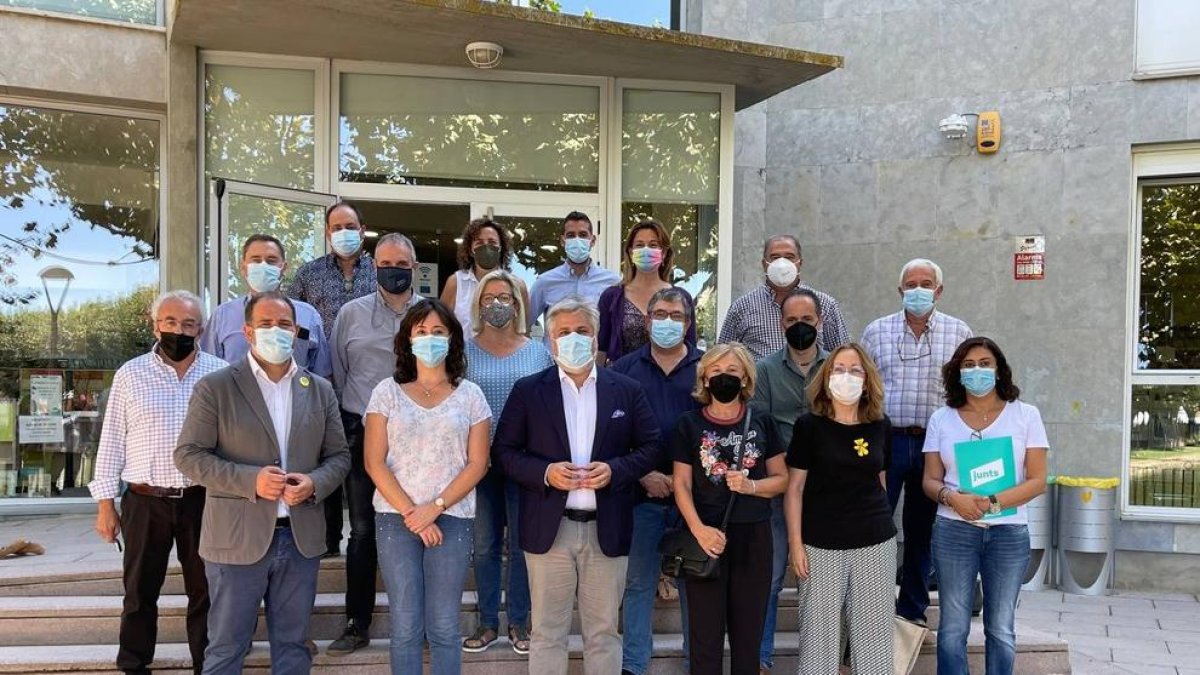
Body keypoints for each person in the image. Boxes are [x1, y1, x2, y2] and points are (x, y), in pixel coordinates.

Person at [174, 291, 350, 675]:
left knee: (293, 648)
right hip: (236, 540)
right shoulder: (216, 386)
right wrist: (249, 480)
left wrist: (314, 482)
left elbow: (339, 457)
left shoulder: (318, 389)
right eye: (266, 324)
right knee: (225, 648)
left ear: (296, 331)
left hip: (299, 538)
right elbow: (188, 455)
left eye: (284, 324)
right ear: (248, 332)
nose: (276, 331)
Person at [493, 297, 660, 675]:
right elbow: (503, 452)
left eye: (582, 331)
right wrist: (545, 472)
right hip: (549, 531)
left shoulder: (626, 389)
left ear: (596, 335)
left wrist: (617, 470)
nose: (573, 339)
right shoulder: (528, 390)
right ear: (550, 342)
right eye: (563, 332)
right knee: (547, 633)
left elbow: (652, 448)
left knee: (603, 634)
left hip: (608, 527)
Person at [89, 290, 227, 675]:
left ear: (200, 328)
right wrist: (105, 504)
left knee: (205, 590)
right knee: (139, 590)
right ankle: (133, 663)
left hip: (203, 500)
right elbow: (113, 438)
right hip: (145, 500)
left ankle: (208, 664)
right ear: (155, 325)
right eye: (170, 322)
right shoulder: (131, 374)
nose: (178, 330)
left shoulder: (220, 371)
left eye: (187, 324)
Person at [364, 298, 491, 675]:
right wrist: (412, 513)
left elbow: (478, 463)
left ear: (452, 339)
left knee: (443, 624)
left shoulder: (471, 395)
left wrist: (433, 508)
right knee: (404, 625)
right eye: (421, 331)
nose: (430, 338)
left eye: (438, 332)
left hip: (452, 518)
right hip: (395, 517)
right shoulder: (385, 392)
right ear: (408, 339)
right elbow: (374, 462)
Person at [922, 337, 1048, 675]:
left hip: (1008, 534)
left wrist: (991, 503)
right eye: (968, 365)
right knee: (952, 629)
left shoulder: (1026, 415)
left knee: (1001, 628)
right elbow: (930, 481)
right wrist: (954, 500)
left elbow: (1037, 480)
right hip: (953, 531)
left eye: (984, 363)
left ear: (999, 370)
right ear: (957, 373)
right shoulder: (941, 419)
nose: (976, 370)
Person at [860, 258, 973, 624]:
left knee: (921, 531)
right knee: (875, 526)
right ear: (900, 290)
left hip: (934, 446)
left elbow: (967, 389)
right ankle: (871, 607)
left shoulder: (959, 333)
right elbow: (863, 389)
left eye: (927, 283)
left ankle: (912, 610)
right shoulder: (876, 332)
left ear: (939, 291)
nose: (918, 290)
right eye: (911, 284)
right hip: (885, 441)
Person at [326, 232, 422, 655]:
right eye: (386, 263)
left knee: (417, 525)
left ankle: (419, 622)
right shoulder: (350, 314)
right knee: (363, 530)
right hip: (363, 432)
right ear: (373, 265)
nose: (394, 270)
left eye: (402, 264)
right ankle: (356, 621)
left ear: (415, 268)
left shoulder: (431, 315)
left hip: (420, 436)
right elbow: (339, 376)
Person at [672, 342, 787, 675]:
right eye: (717, 371)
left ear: (746, 379)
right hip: (706, 539)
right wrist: (699, 531)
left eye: (733, 371)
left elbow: (782, 479)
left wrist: (751, 485)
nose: (725, 378)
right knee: (704, 639)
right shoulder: (688, 424)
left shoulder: (762, 421)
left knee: (748, 638)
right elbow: (681, 484)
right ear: (705, 379)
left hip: (754, 536)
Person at [785, 343, 896, 675]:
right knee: (818, 641)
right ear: (826, 376)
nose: (846, 377)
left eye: (855, 370)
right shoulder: (808, 426)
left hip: (874, 542)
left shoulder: (880, 425)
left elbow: (881, 481)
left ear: (867, 379)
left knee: (874, 640)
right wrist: (795, 545)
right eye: (838, 369)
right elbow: (794, 490)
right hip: (820, 544)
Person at [610, 287, 703, 675]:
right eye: (660, 314)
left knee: (695, 587)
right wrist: (644, 473)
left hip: (696, 500)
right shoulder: (622, 370)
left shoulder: (707, 367)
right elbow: (608, 436)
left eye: (677, 316)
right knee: (638, 585)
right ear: (646, 321)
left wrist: (686, 480)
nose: (668, 322)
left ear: (689, 322)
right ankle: (634, 666)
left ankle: (696, 663)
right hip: (641, 494)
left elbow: (718, 428)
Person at [462, 270, 553, 656]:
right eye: (488, 298)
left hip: (524, 464)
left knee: (520, 545)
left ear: (518, 305)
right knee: (483, 545)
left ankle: (519, 621)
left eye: (505, 298)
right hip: (478, 466)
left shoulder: (537, 351)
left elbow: (550, 407)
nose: (496, 304)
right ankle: (486, 623)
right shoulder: (462, 350)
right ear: (478, 304)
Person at [289, 201, 377, 559]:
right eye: (336, 227)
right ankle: (327, 540)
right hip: (318, 386)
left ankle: (365, 536)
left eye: (350, 225)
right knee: (324, 460)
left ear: (362, 228)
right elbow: (292, 324)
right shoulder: (308, 275)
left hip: (364, 390)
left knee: (359, 468)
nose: (344, 233)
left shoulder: (378, 270)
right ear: (327, 233)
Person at [750, 288, 828, 672]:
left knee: (824, 583)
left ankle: (820, 660)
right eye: (792, 321)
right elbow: (759, 428)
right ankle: (761, 659)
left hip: (826, 491)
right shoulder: (763, 370)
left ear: (821, 322)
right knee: (771, 577)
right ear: (781, 325)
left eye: (807, 321)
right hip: (779, 488)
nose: (800, 327)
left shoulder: (836, 369)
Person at [201, 234, 331, 378]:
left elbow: (322, 374)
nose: (263, 265)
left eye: (271, 260)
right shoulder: (222, 316)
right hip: (236, 398)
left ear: (283, 268)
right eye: (256, 260)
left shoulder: (308, 315)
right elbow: (207, 370)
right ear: (243, 268)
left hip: (295, 398)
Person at [717, 235, 849, 360]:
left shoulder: (825, 304)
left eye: (789, 257)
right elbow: (722, 357)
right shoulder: (742, 307)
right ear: (764, 264)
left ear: (799, 263)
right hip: (763, 383)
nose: (782, 263)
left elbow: (842, 355)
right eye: (775, 257)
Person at [596, 218, 696, 366]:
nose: (646, 250)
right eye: (640, 245)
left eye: (653, 245)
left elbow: (690, 348)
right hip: (622, 382)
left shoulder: (682, 298)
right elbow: (601, 349)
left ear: (664, 253)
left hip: (667, 381)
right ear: (631, 253)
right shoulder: (611, 297)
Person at [527, 211, 619, 333]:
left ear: (592, 240)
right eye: (571, 235)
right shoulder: (545, 282)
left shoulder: (612, 282)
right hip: (555, 352)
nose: (577, 240)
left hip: (595, 352)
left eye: (583, 235)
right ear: (562, 241)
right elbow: (523, 325)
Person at [440, 217, 531, 332]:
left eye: (492, 242)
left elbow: (524, 329)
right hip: (463, 350)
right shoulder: (455, 283)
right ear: (470, 250)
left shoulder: (517, 285)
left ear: (501, 248)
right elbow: (441, 326)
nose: (486, 246)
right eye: (479, 243)